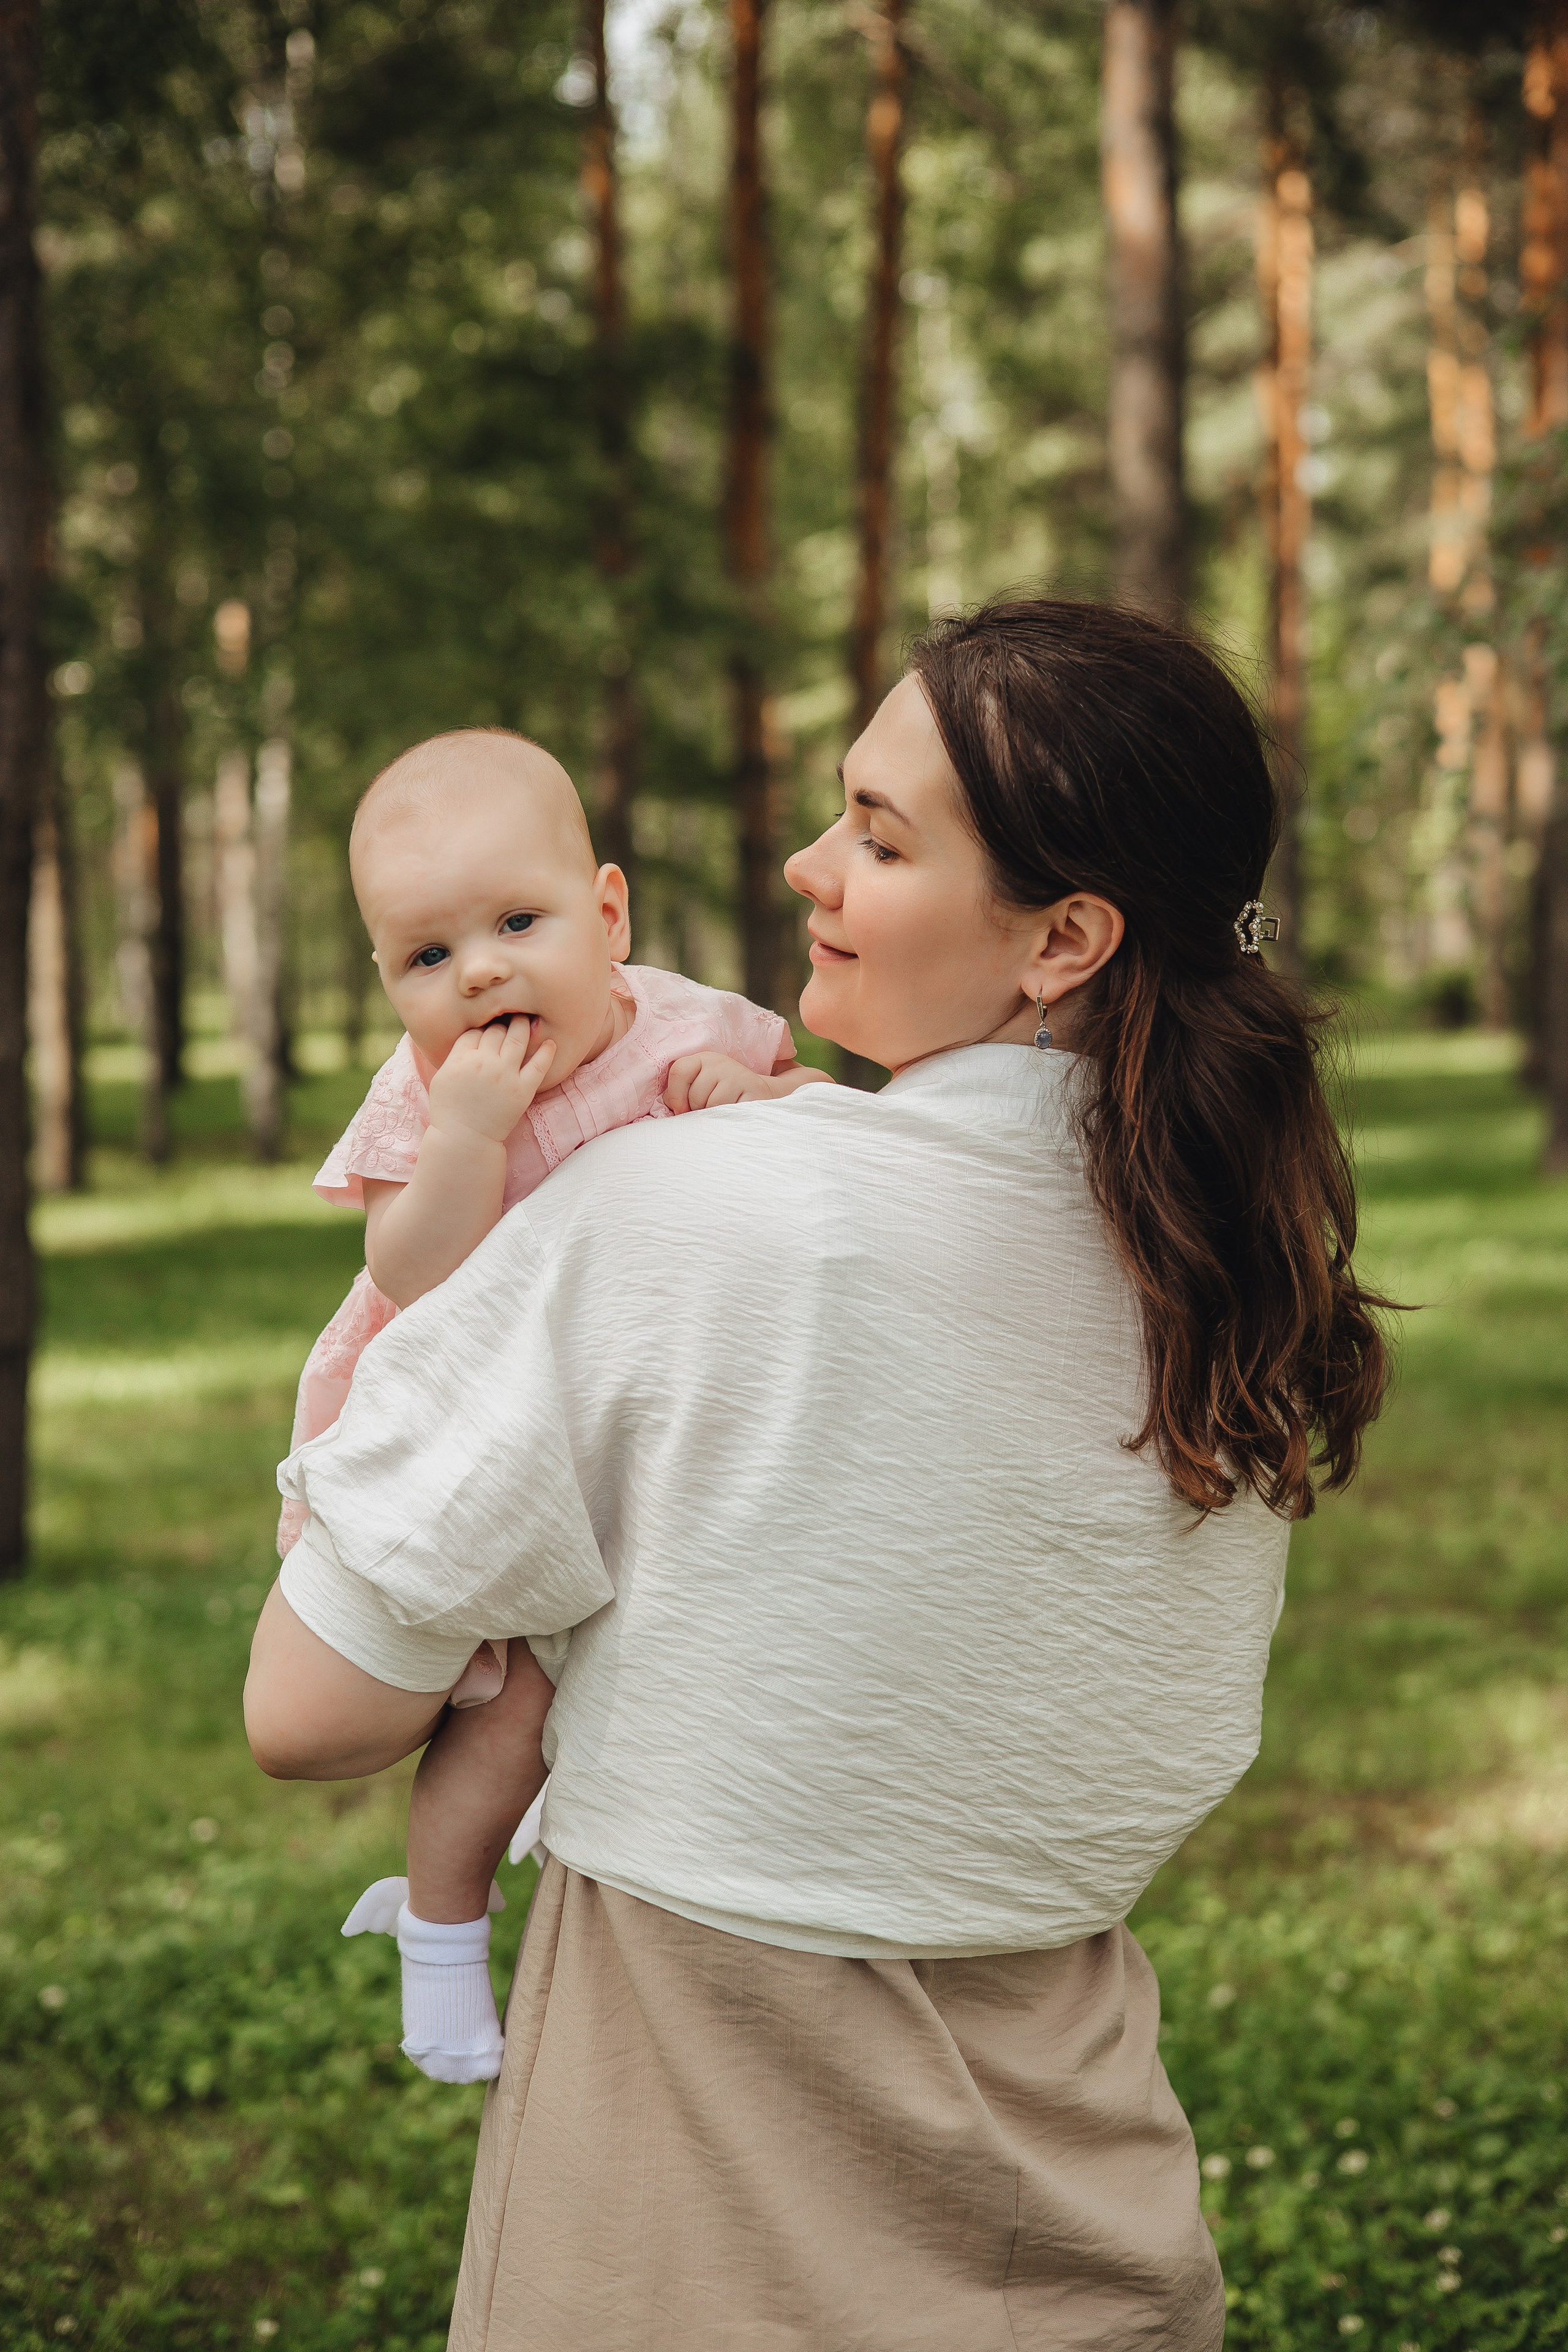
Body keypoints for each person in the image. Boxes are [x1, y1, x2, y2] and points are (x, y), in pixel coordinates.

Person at [245, 599, 1390, 2352]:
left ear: (1064, 937)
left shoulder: (679, 1213)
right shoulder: (1220, 1288)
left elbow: (309, 1712)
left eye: (878, 836)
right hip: (1077, 2184)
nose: (804, 867)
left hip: (689, 2169)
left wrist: (382, 1408)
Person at [281, 725, 826, 2078]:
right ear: (389, 981)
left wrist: (757, 1090)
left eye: (516, 922)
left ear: (607, 912)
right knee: (453, 1707)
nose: (477, 973)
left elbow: (819, 1111)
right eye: (426, 956)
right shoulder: (422, 1096)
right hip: (455, 1449)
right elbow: (407, 1269)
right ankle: (437, 1943)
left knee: (538, 1716)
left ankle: (454, 1934)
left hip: (607, 1460)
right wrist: (466, 1136)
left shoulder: (689, 1023)